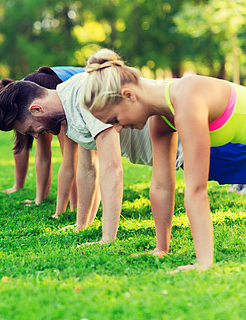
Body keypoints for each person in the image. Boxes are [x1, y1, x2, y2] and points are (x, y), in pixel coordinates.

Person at [0, 69, 246, 252]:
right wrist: (82, 225)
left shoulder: (81, 96)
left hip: (195, 142)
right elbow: (87, 168)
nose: (36, 136)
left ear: (36, 109)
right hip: (175, 150)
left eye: (30, 129)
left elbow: (112, 168)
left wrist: (107, 238)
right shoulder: (68, 111)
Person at [81, 48, 246, 271]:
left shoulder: (187, 99)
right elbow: (161, 185)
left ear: (129, 95)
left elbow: (196, 190)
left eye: (115, 119)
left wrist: (203, 263)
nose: (117, 130)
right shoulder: (160, 121)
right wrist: (161, 248)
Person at [0, 67, 84, 214]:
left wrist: (73, 208)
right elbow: (41, 154)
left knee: (73, 154)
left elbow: (70, 161)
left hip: (93, 87)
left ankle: (77, 203)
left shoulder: (39, 96)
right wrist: (38, 199)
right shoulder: (25, 100)